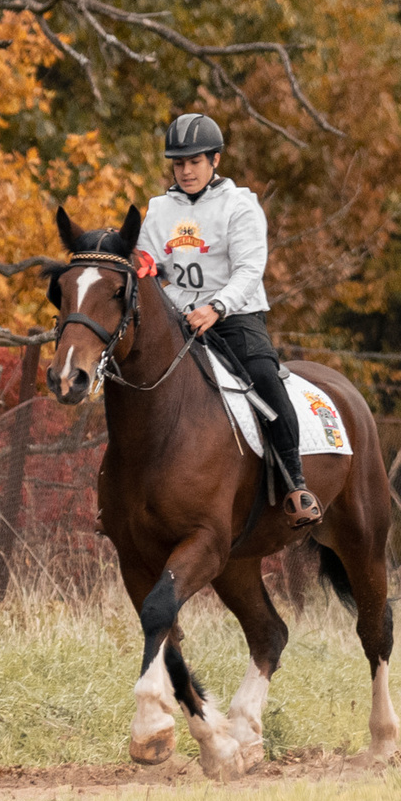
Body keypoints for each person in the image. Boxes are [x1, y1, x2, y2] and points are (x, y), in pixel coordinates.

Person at [137, 113, 324, 527]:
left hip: (234, 318)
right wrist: (147, 271)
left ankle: (295, 483)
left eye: (195, 161)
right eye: (179, 163)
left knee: (266, 379)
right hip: (178, 321)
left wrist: (217, 307)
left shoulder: (240, 205)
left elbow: (249, 268)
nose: (186, 170)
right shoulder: (158, 210)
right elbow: (152, 265)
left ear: (215, 160)